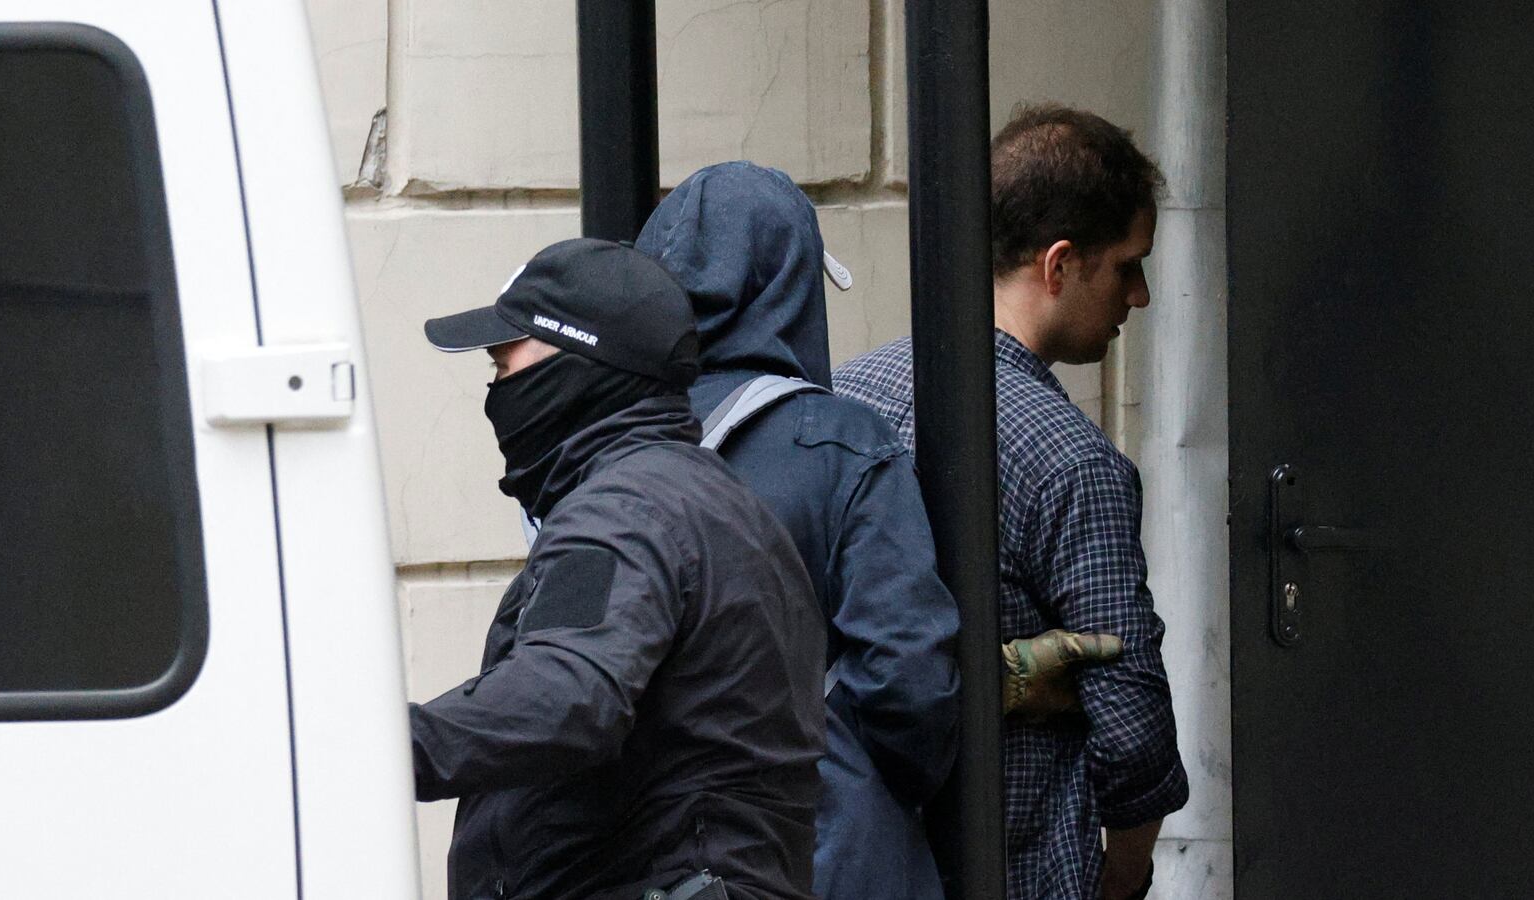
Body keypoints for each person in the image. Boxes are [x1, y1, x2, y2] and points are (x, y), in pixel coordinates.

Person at [834, 104, 1189, 900]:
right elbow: (1133, 732)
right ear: (1058, 266)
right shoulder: (1073, 465)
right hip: (1012, 867)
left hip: (854, 861)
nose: (1140, 296)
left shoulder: (844, 399)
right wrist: (1124, 878)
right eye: (1127, 267)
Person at [408, 237, 826, 900]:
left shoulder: (625, 514)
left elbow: (564, 695)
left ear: (579, 366)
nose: (495, 389)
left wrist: (382, 747)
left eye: (506, 363)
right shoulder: (705, 500)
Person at [634, 161, 961, 900]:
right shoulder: (842, 444)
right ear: (792, 286)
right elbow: (909, 679)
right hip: (824, 852)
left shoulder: (604, 442)